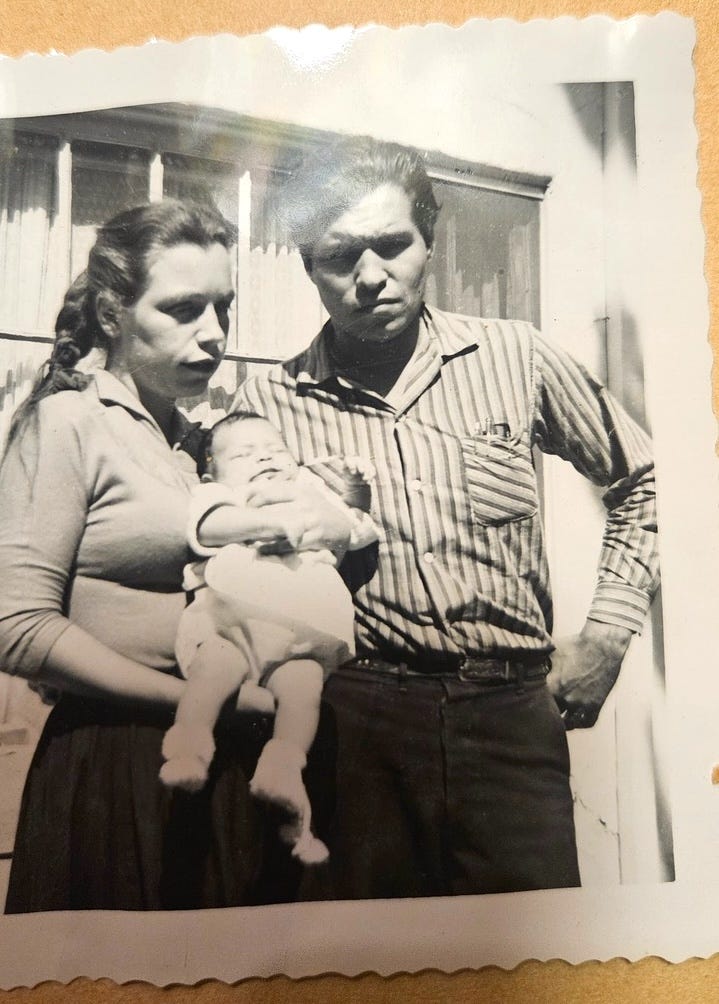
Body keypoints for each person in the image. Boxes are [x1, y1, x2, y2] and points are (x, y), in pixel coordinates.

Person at [234, 135, 660, 899]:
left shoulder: (515, 358)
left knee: (530, 962)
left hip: (509, 718)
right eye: (340, 257)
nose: (371, 277)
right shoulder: (266, 406)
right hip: (353, 724)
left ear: (428, 241)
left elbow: (647, 481)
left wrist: (606, 636)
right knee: (372, 961)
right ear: (306, 264)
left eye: (392, 245)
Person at [0, 198, 349, 912]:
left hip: (225, 763)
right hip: (116, 766)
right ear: (110, 315)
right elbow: (16, 626)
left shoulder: (198, 446)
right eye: (184, 309)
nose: (214, 335)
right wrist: (203, 702)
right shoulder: (70, 421)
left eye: (223, 308)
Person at [160, 409, 377, 866]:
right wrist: (269, 523)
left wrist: (353, 491)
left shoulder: (309, 493)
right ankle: (189, 747)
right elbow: (204, 527)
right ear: (211, 469)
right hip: (231, 617)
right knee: (214, 669)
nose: (264, 459)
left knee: (303, 690)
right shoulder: (218, 495)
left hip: (302, 627)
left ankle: (283, 768)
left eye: (276, 450)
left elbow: (357, 530)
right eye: (244, 453)